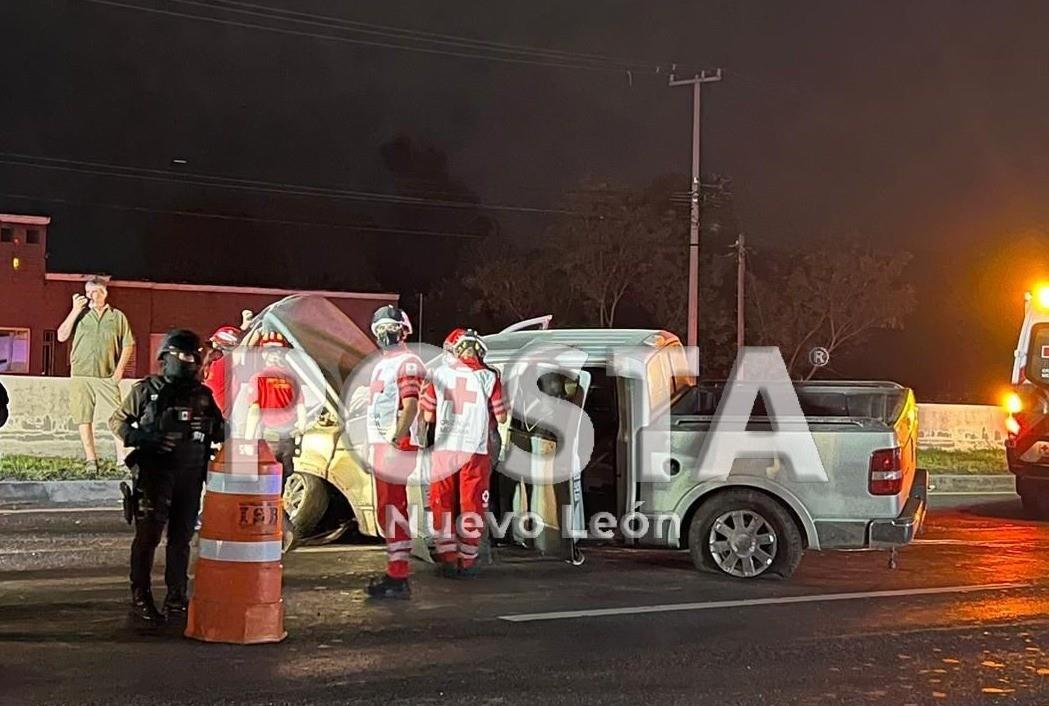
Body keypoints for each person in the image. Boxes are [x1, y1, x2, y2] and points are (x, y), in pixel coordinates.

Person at [110, 329, 224, 627]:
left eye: (195, 357)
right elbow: (118, 422)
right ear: (168, 356)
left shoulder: (202, 395)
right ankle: (141, 596)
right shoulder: (148, 390)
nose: (192, 361)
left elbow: (221, 431)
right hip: (154, 473)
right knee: (147, 537)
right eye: (185, 356)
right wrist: (146, 438)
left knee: (181, 539)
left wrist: (208, 425)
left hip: (190, 475)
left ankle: (176, 597)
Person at [420, 329, 506, 577]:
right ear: (480, 352)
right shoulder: (490, 377)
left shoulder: (437, 375)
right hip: (475, 450)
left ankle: (447, 556)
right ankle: (467, 560)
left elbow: (427, 416)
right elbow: (501, 416)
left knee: (442, 501)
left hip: (445, 449)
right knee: (472, 503)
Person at [364, 304, 424, 599]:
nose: (386, 334)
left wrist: (394, 441)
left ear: (403, 330)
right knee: (385, 509)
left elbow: (410, 405)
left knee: (393, 508)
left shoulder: (406, 362)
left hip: (395, 445)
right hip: (383, 443)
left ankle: (398, 575)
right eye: (380, 330)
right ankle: (395, 568)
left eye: (391, 328)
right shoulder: (381, 364)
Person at [57, 276, 135, 472]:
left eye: (95, 292)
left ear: (104, 293)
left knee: (117, 417)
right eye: (88, 292)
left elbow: (128, 344)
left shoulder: (117, 317)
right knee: (84, 417)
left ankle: (122, 459)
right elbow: (61, 336)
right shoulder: (80, 314)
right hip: (81, 374)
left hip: (106, 375)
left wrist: (118, 372)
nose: (91, 296)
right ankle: (91, 460)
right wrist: (74, 310)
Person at [243, 331, 306, 548]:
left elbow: (254, 412)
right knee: (278, 488)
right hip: (287, 442)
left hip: (267, 443)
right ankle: (279, 531)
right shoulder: (292, 379)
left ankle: (279, 531)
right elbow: (302, 411)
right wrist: (300, 430)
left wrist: (248, 442)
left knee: (263, 491)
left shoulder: (258, 379)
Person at [202, 325, 243, 419]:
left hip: (217, 417)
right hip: (225, 418)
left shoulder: (211, 366)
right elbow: (243, 351)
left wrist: (244, 328)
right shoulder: (220, 366)